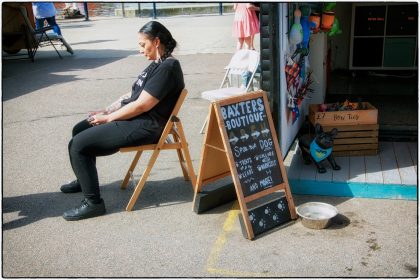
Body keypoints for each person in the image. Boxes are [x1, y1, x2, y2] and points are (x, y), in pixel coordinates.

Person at [61, 21, 184, 221]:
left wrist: (108, 119)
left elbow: (142, 105)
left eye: (143, 45)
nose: (140, 50)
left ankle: (93, 204)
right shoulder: (156, 64)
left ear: (157, 41)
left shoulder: (168, 67)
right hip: (136, 119)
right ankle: (83, 179)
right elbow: (132, 94)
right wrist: (106, 110)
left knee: (78, 145)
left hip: (146, 125)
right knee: (80, 128)